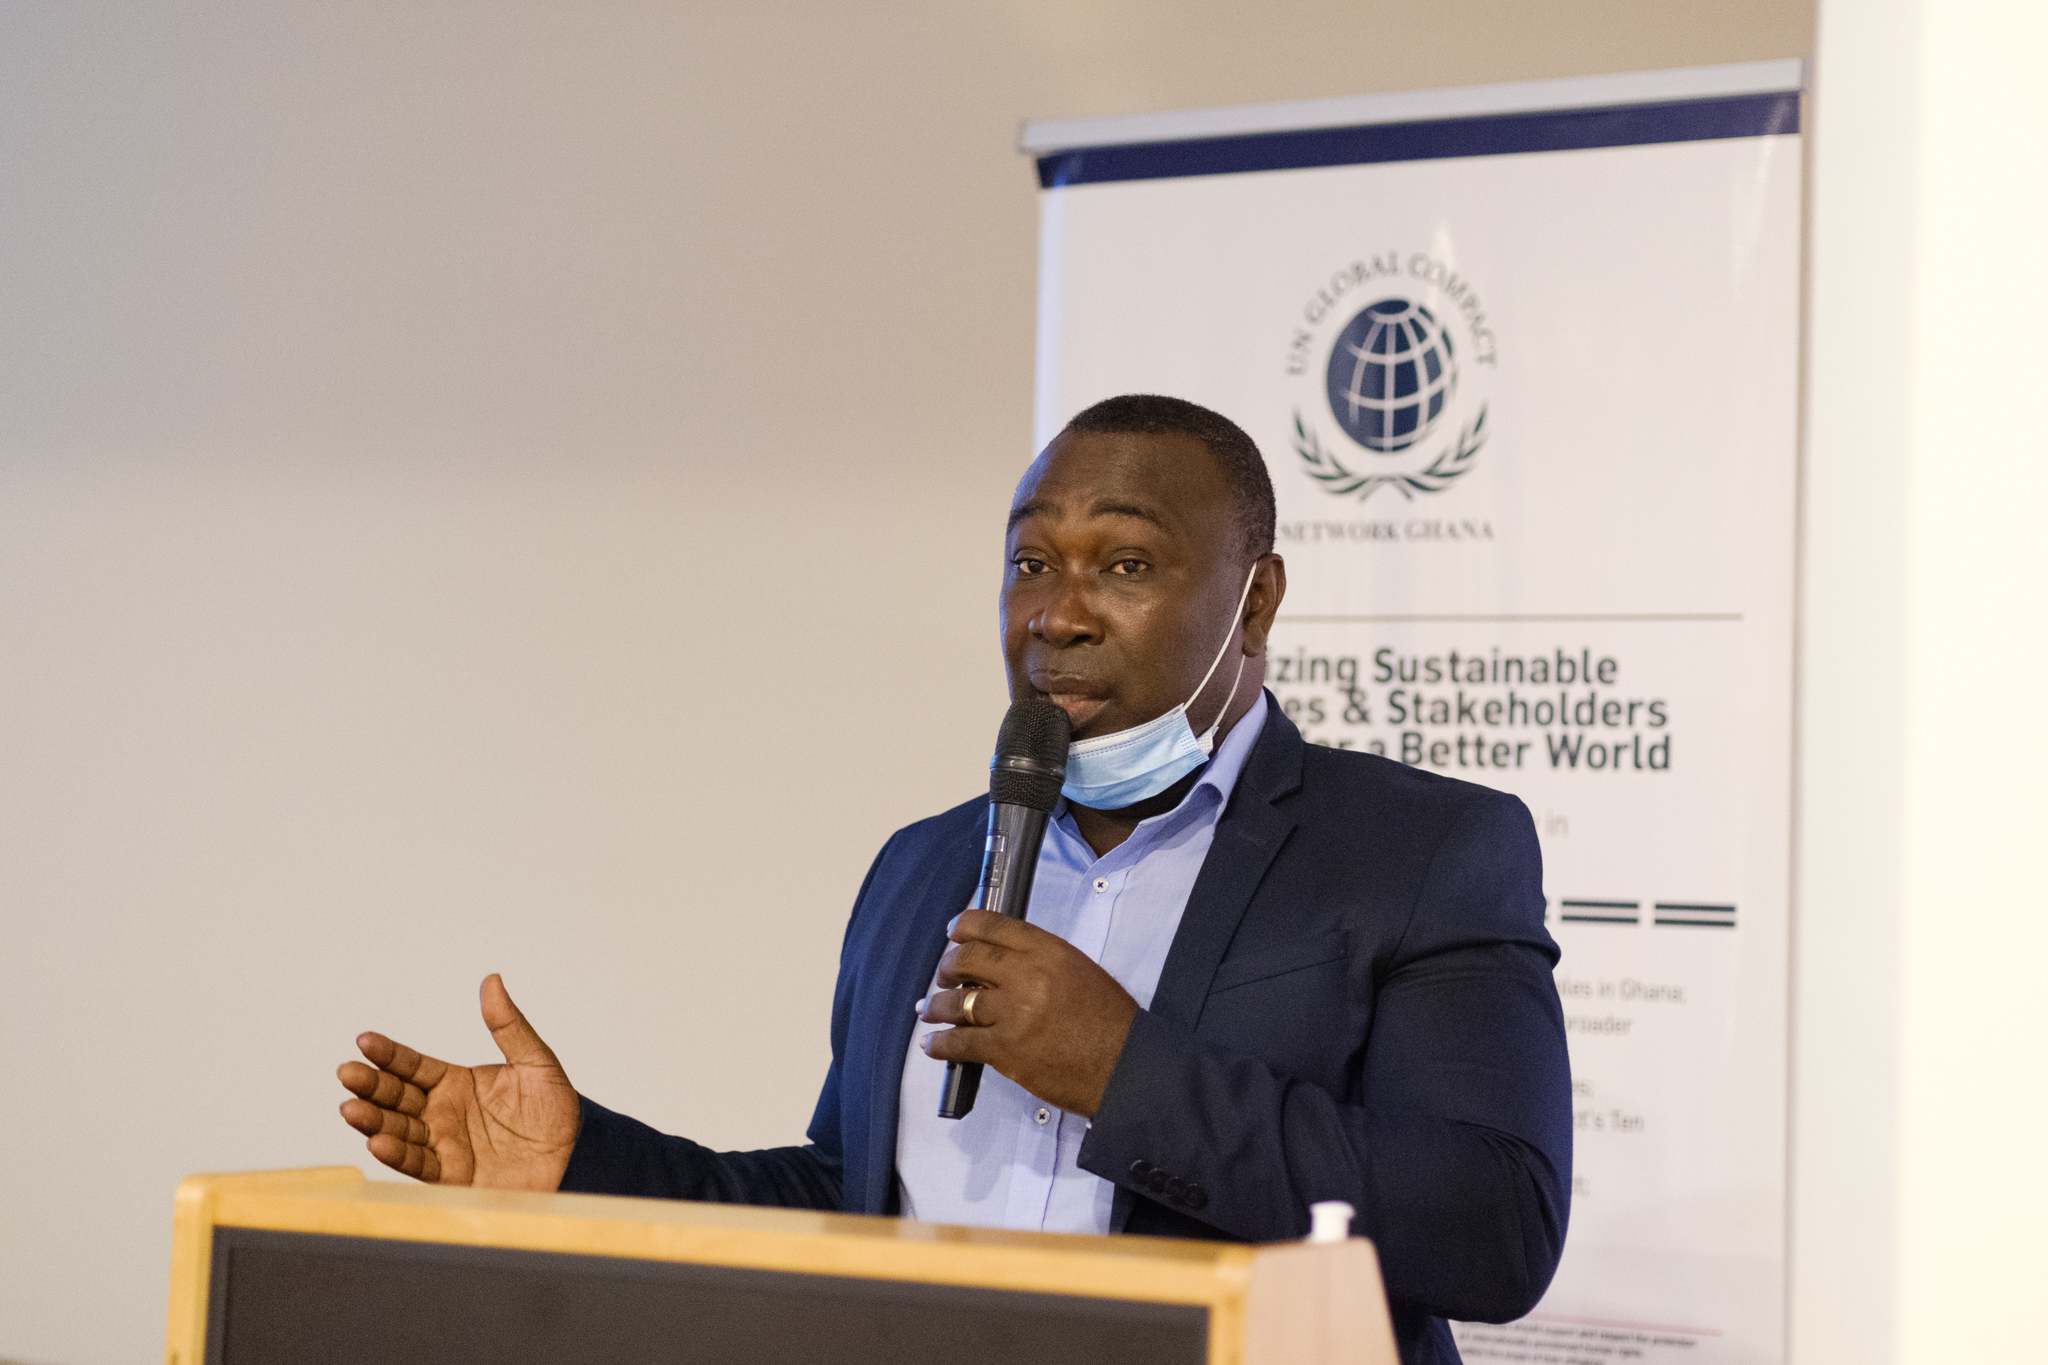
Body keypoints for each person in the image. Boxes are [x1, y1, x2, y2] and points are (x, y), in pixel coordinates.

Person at [338, 394, 1571, 1365]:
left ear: (1254, 602)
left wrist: (1121, 1072)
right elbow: (851, 1199)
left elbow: (1493, 1230)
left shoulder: (1418, 852)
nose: (1057, 616)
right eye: (1031, 564)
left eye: (1124, 566)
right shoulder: (925, 864)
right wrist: (586, 1166)